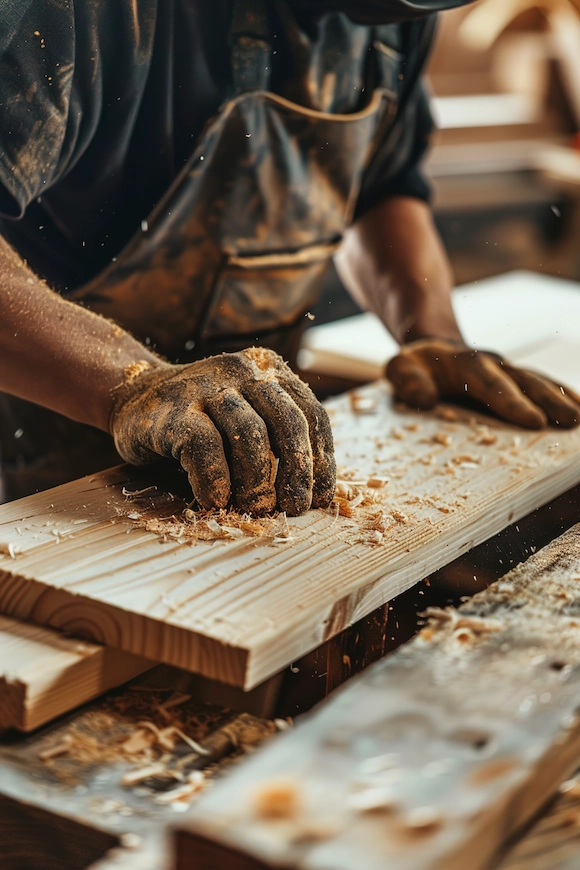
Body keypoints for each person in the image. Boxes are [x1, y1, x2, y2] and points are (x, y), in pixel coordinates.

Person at [0, 0, 577, 514]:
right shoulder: (79, 15)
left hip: (254, 452)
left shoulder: (396, 21)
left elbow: (379, 184)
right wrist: (131, 383)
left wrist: (432, 333)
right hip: (46, 459)